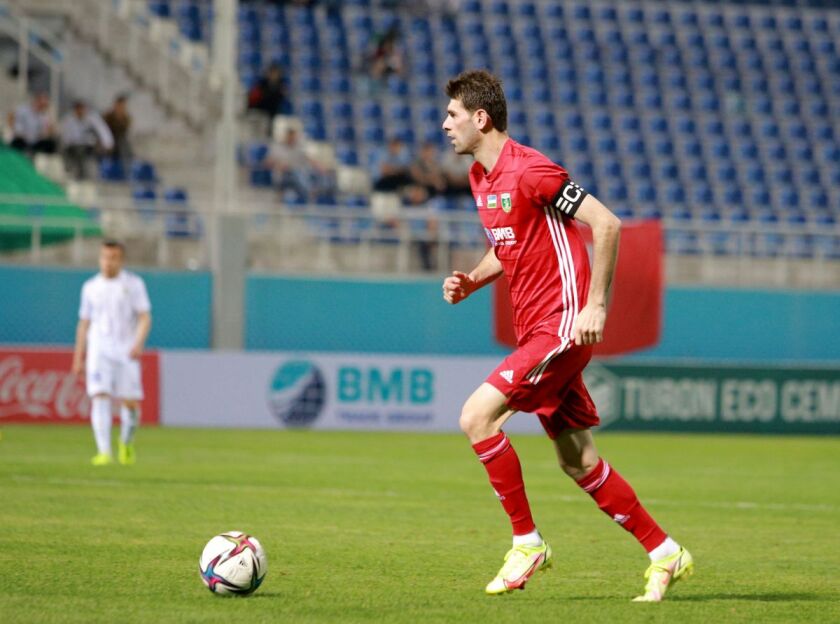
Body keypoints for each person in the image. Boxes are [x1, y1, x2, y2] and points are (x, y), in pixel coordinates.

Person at [440, 70, 692, 602]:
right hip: (535, 330)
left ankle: (526, 543)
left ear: (480, 118)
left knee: (476, 417)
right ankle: (665, 551)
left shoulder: (532, 170)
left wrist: (596, 304)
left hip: (563, 324)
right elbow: (507, 246)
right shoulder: (481, 179)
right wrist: (473, 281)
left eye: (452, 114)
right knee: (578, 460)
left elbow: (607, 223)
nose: (445, 124)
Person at [72, 240, 152, 466]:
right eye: (105, 257)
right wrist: (78, 357)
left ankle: (126, 442)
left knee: (130, 402)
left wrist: (138, 343)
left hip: (126, 350)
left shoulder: (133, 284)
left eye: (113, 258)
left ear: (121, 260)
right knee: (100, 395)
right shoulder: (90, 287)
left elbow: (145, 317)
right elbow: (84, 323)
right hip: (99, 349)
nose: (108, 262)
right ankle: (104, 451)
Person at [60, 100, 114, 180]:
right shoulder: (68, 120)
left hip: (89, 148)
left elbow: (103, 131)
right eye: (78, 109)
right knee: (77, 154)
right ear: (75, 110)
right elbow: (66, 138)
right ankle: (75, 173)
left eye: (82, 109)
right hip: (73, 148)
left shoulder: (92, 118)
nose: (80, 111)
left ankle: (91, 175)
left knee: (93, 155)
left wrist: (108, 144)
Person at [102, 94, 133, 171]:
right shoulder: (108, 116)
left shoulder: (126, 118)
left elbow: (126, 131)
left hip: (121, 142)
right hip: (109, 139)